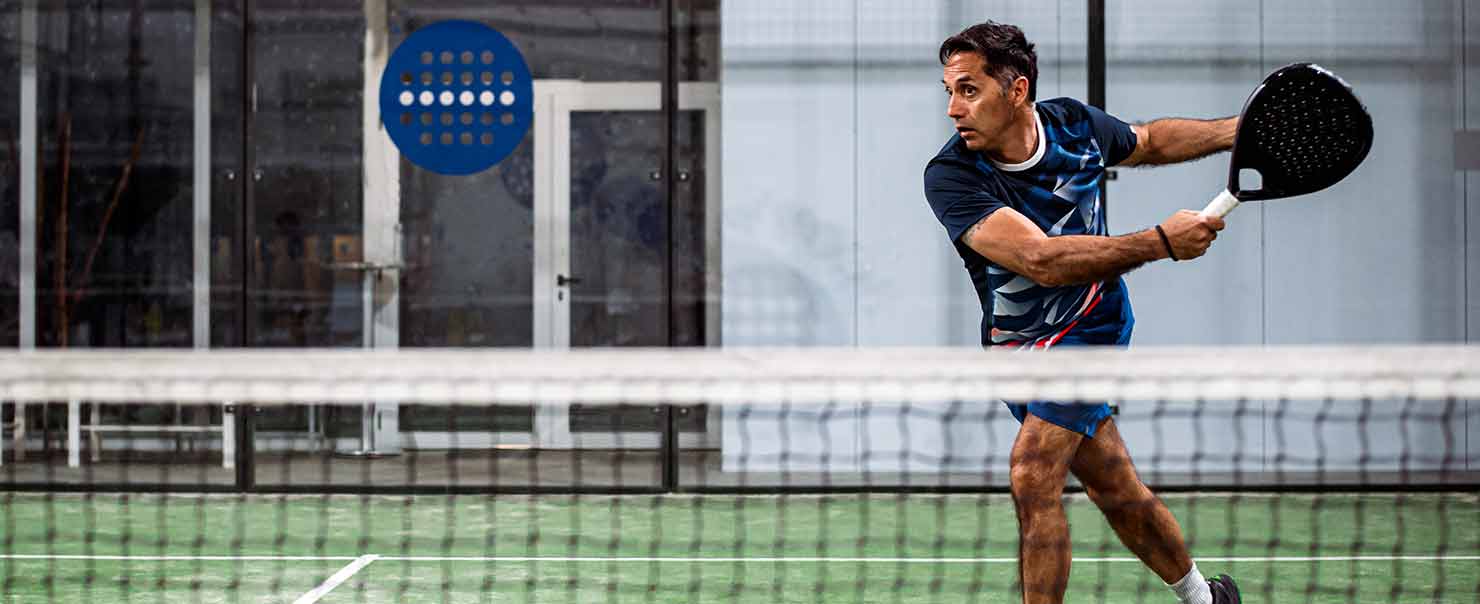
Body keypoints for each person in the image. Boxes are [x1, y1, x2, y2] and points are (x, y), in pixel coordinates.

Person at [922, 22, 1242, 604]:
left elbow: (1148, 141)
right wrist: (1159, 242)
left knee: (1033, 471)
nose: (952, 108)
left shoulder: (1074, 126)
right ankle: (1206, 599)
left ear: (1015, 90)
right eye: (948, 91)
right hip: (1017, 348)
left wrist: (1236, 133)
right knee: (1113, 484)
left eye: (968, 90)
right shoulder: (953, 176)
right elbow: (1039, 259)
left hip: (1090, 327)